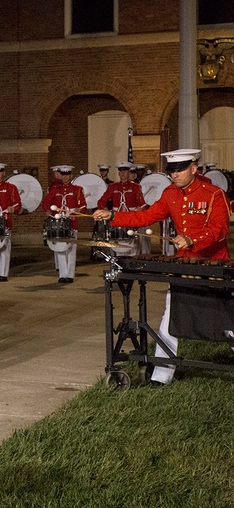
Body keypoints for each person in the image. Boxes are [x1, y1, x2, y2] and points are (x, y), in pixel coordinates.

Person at [93, 149, 230, 386]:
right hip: (184, 263)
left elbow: (221, 228)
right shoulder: (170, 194)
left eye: (180, 170)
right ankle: (162, 375)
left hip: (213, 263)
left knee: (227, 317)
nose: (174, 175)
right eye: (172, 171)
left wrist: (193, 239)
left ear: (194, 169)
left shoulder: (213, 194)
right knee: (171, 316)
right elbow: (146, 217)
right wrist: (112, 215)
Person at [42, 165, 86, 283]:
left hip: (71, 222)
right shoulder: (55, 189)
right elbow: (45, 203)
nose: (65, 177)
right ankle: (62, 274)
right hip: (59, 223)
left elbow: (83, 206)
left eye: (67, 175)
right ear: (61, 176)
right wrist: (47, 210)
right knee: (60, 248)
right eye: (63, 175)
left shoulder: (77, 189)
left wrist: (78, 210)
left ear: (71, 176)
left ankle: (70, 275)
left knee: (71, 249)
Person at [95, 161, 147, 256]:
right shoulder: (113, 187)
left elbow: (143, 205)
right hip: (117, 220)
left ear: (129, 173)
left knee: (132, 249)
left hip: (131, 220)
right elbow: (101, 202)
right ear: (119, 173)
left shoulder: (135, 187)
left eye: (125, 171)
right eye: (121, 171)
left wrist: (137, 210)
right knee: (116, 248)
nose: (123, 173)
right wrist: (106, 210)